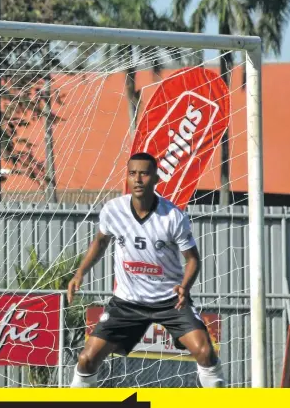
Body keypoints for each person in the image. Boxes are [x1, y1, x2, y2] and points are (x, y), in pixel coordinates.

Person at [66, 152, 225, 388]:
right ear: (128, 178)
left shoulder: (173, 216)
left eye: (144, 173)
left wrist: (185, 286)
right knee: (86, 359)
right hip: (126, 302)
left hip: (170, 301)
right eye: (132, 174)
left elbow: (193, 260)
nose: (138, 179)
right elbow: (100, 242)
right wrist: (80, 273)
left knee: (205, 352)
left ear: (155, 178)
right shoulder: (113, 210)